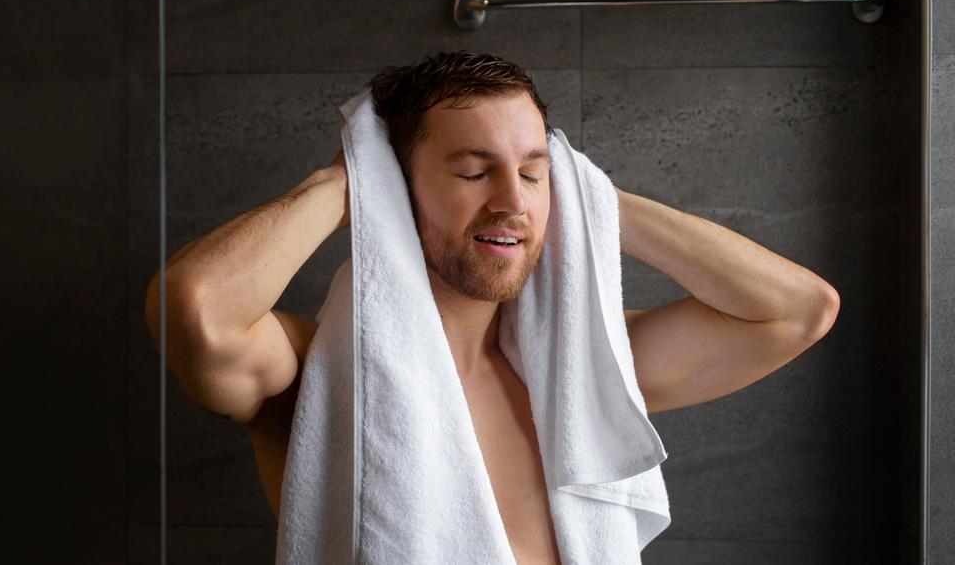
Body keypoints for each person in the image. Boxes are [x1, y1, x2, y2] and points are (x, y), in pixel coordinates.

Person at [145, 50, 840, 564]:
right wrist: (344, 179)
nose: (512, 199)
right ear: (394, 188)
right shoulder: (311, 374)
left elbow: (800, 309)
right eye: (475, 171)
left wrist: (588, 200)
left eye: (534, 171)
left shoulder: (573, 376)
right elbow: (196, 309)